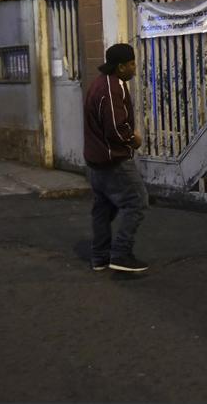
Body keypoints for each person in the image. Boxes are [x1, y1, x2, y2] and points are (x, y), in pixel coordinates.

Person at [83, 43, 150, 273]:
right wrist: (133, 139)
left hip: (95, 161)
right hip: (113, 161)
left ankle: (99, 257)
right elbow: (115, 127)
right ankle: (121, 254)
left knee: (103, 209)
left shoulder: (98, 84)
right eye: (131, 64)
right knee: (138, 202)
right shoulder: (113, 88)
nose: (134, 68)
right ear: (121, 67)